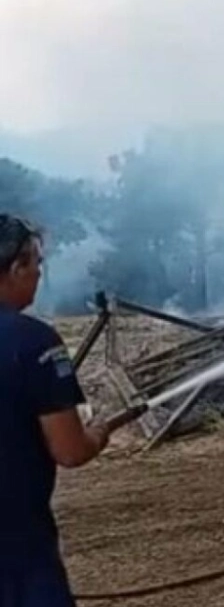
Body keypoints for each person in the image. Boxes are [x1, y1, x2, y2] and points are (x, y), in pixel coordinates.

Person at [0, 215, 109, 606]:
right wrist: (99, 431)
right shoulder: (34, 342)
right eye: (36, 264)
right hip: (17, 552)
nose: (38, 274)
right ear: (15, 268)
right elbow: (70, 450)